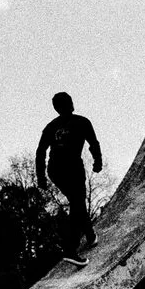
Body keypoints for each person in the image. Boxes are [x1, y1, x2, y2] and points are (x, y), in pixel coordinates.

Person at [35, 91, 102, 267]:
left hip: (56, 170)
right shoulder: (81, 122)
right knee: (77, 203)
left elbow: (40, 152)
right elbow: (93, 143)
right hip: (69, 169)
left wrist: (41, 177)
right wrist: (97, 161)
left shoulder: (52, 126)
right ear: (67, 105)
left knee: (77, 201)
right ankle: (71, 250)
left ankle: (89, 234)